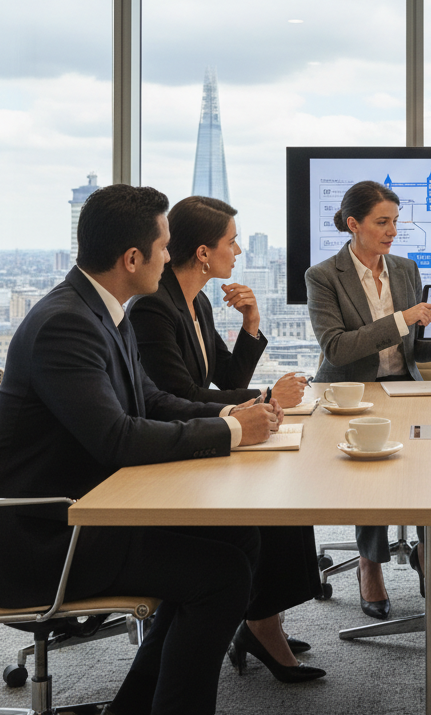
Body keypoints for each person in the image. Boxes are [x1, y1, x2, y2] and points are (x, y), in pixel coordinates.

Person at [0, 184, 279, 715]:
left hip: (86, 508)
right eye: (164, 246)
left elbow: (148, 400)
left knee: (237, 535)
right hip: (45, 536)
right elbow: (118, 437)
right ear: (133, 258)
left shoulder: (104, 309)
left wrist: (229, 416)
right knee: (221, 577)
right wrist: (232, 433)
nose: (170, 257)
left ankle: (132, 710)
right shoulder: (67, 324)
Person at [128, 194, 324, 683]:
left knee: (285, 484)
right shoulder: (155, 308)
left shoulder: (193, 302)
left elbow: (223, 374)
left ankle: (264, 619)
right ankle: (261, 625)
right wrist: (261, 399)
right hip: (175, 448)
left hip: (198, 427)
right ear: (202, 252)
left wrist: (252, 325)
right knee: (269, 498)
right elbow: (177, 395)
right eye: (232, 243)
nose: (238, 252)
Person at [305, 179, 431, 619]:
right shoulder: (323, 276)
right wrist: (401, 318)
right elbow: (337, 348)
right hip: (351, 394)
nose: (392, 230)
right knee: (370, 477)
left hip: (406, 386)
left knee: (427, 466)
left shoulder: (404, 269)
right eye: (383, 222)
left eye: (396, 221)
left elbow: (416, 347)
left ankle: (426, 551)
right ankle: (370, 564)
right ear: (352, 224)